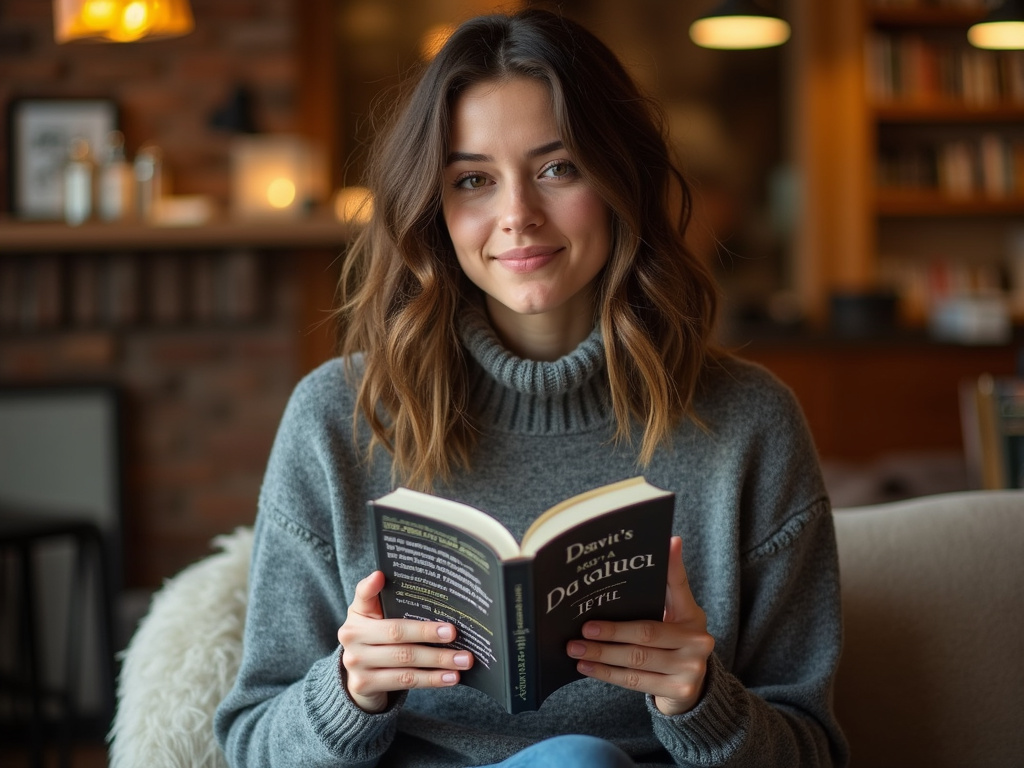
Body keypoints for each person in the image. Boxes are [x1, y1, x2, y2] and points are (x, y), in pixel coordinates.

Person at [214, 8, 848, 768]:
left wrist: (701, 701)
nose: (517, 215)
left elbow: (813, 750)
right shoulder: (337, 418)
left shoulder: (748, 424)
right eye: (474, 180)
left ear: (621, 182)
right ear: (434, 211)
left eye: (557, 168)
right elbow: (251, 743)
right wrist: (348, 693)